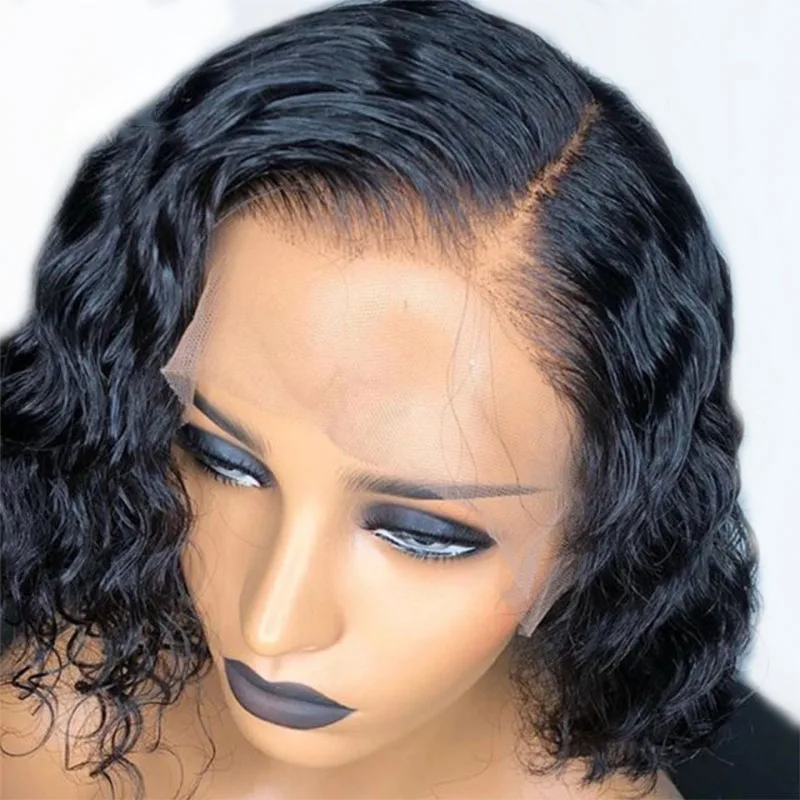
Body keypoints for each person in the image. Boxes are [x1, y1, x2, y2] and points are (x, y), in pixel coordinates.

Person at [0, 1, 758, 798]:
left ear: (604, 530)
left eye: (424, 535)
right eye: (222, 459)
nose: (272, 624)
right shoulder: (58, 722)